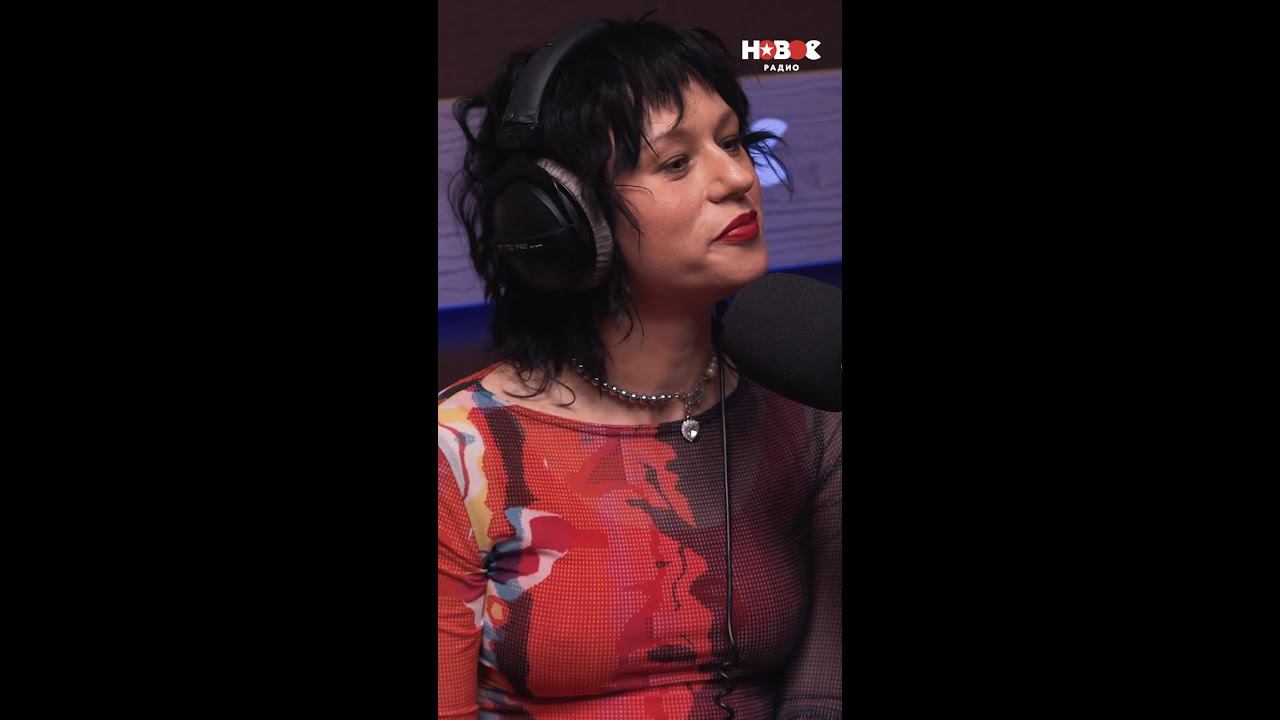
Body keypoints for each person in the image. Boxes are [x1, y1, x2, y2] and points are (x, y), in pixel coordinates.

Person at [438, 17, 841, 719]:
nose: (739, 178)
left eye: (731, 142)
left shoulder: (812, 413)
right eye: (676, 163)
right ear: (564, 219)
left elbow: (824, 695)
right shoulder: (462, 452)